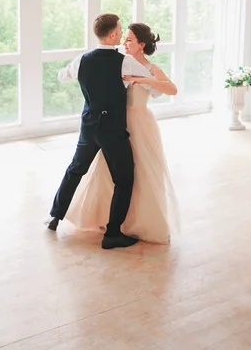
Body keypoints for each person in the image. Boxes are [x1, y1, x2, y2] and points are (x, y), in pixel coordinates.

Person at [46, 14, 162, 250]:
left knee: (76, 169)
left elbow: (62, 76)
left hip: (89, 127)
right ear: (111, 35)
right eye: (119, 31)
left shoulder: (82, 60)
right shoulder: (125, 62)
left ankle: (55, 217)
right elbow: (152, 85)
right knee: (124, 179)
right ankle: (112, 234)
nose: (121, 35)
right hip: (113, 131)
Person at [64, 22, 180, 244]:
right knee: (109, 175)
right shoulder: (118, 63)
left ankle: (140, 223)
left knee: (141, 175)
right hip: (115, 125)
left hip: (141, 126)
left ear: (141, 44)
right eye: (124, 38)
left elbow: (171, 89)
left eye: (129, 40)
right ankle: (113, 222)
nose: (124, 43)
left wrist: (142, 79)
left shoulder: (150, 68)